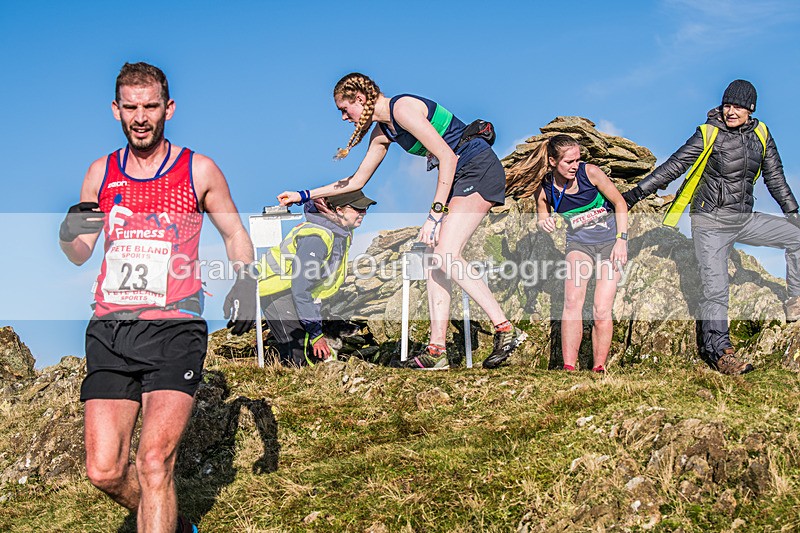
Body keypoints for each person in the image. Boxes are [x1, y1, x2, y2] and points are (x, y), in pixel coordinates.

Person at [58, 62, 257, 533]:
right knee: (104, 471)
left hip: (174, 328)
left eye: (150, 106)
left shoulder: (198, 169)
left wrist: (246, 282)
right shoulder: (101, 173)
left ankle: (158, 511)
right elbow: (79, 252)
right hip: (110, 330)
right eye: (131, 108)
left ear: (169, 108)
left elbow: (234, 232)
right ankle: (173, 522)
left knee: (153, 463)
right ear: (116, 110)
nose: (141, 117)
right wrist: (67, 230)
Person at [277, 73, 527, 370]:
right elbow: (355, 181)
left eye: (345, 109)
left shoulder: (403, 109)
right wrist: (303, 195)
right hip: (459, 176)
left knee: (446, 254)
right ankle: (437, 350)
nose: (344, 117)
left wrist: (434, 216)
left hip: (477, 168)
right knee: (435, 260)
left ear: (360, 98)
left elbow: (448, 157)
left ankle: (505, 329)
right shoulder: (384, 130)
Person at [623, 79, 800, 375]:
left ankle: (795, 300)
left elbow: (775, 177)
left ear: (750, 109)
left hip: (743, 219)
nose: (731, 111)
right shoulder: (708, 133)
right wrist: (634, 195)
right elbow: (674, 165)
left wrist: (792, 212)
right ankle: (720, 353)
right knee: (716, 290)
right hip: (710, 223)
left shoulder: (761, 134)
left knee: (797, 237)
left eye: (738, 107)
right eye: (727, 105)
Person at [534, 135, 629, 372]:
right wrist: (544, 223)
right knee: (572, 301)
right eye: (569, 161)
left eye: (577, 160)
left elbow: (620, 204)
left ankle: (599, 367)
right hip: (579, 245)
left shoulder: (591, 173)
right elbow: (542, 216)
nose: (575, 166)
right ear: (553, 161)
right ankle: (569, 367)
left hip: (610, 244)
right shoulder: (545, 189)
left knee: (601, 308)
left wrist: (622, 241)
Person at [258, 190, 375, 366]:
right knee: (297, 351)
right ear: (339, 210)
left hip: (296, 291)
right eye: (358, 208)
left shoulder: (341, 233)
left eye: (365, 208)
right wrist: (315, 334)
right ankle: (289, 379)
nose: (363, 212)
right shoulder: (316, 238)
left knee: (311, 351)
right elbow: (301, 287)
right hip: (277, 289)